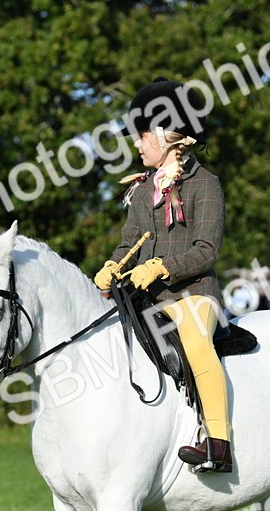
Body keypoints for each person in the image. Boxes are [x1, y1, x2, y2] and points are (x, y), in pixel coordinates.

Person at [95, 77, 232, 472]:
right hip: (146, 301)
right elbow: (129, 242)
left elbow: (206, 250)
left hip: (192, 295)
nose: (136, 145)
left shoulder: (204, 184)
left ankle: (217, 442)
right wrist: (112, 266)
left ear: (167, 136)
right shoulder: (141, 192)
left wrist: (162, 267)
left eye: (141, 137)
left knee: (195, 340)